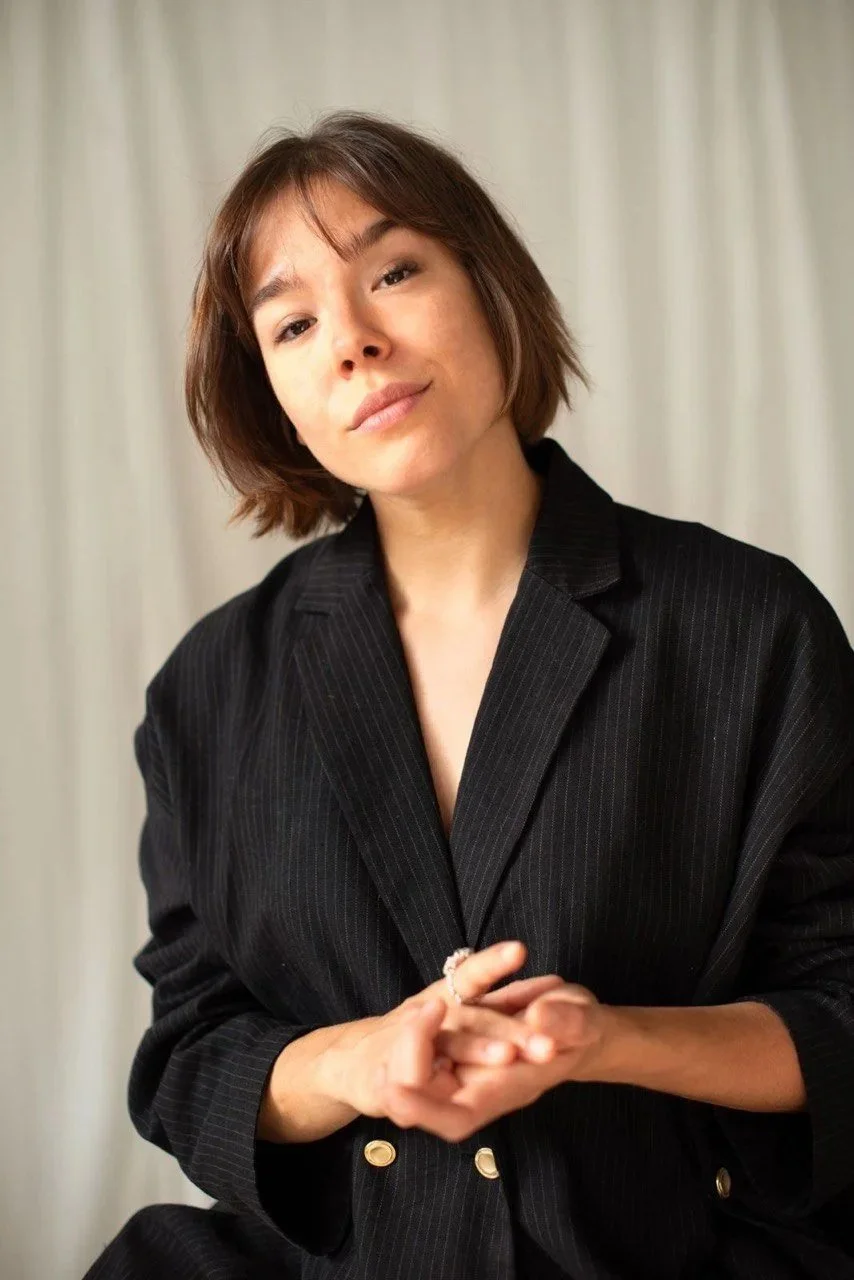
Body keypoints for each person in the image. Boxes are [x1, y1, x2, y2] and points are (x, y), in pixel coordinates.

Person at [84, 109, 854, 1280]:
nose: (352, 341)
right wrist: (355, 1063)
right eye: (293, 323)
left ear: (489, 286)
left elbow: (839, 1008)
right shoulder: (206, 694)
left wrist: (604, 1039)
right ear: (276, 396)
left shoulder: (748, 628)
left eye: (392, 270)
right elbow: (191, 1053)